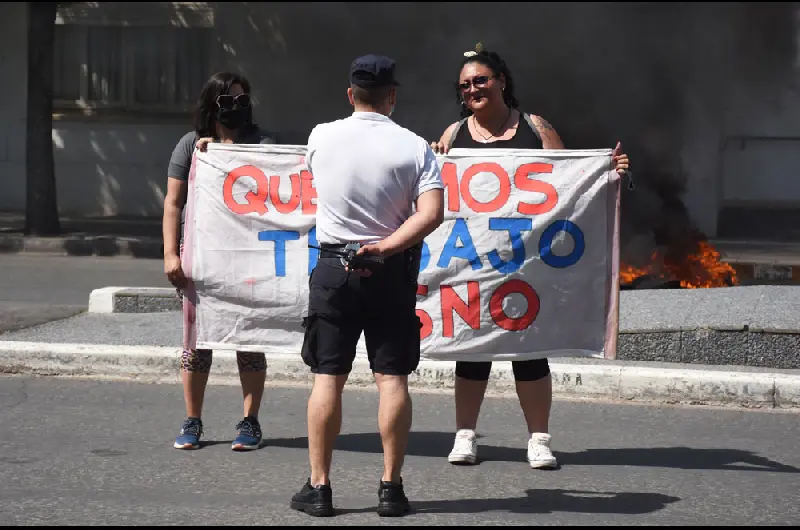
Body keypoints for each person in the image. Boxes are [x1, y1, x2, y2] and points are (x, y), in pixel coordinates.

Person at [430, 44, 630, 469]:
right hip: (472, 266)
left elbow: (569, 186)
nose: (473, 89)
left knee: (530, 352)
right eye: (465, 85)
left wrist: (609, 174)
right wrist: (434, 161)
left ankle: (539, 440)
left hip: (529, 265)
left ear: (501, 81)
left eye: (481, 80)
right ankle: (465, 436)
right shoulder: (452, 134)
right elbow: (434, 191)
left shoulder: (535, 127)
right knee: (472, 351)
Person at [289, 55, 445, 518]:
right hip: (389, 270)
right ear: (392, 96)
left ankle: (319, 487)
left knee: (326, 378)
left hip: (335, 268)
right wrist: (384, 247)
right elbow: (431, 213)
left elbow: (322, 180)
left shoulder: (321, 136)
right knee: (392, 379)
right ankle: (390, 488)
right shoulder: (416, 147)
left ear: (350, 94)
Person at [162, 71, 277, 451]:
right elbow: (173, 203)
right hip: (201, 259)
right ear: (212, 105)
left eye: (244, 101)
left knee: (249, 339)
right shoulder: (190, 146)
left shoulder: (262, 144)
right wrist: (170, 253)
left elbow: (279, 193)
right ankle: (192, 420)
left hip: (249, 260)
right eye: (229, 101)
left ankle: (250, 421)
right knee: (197, 342)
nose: (237, 108)